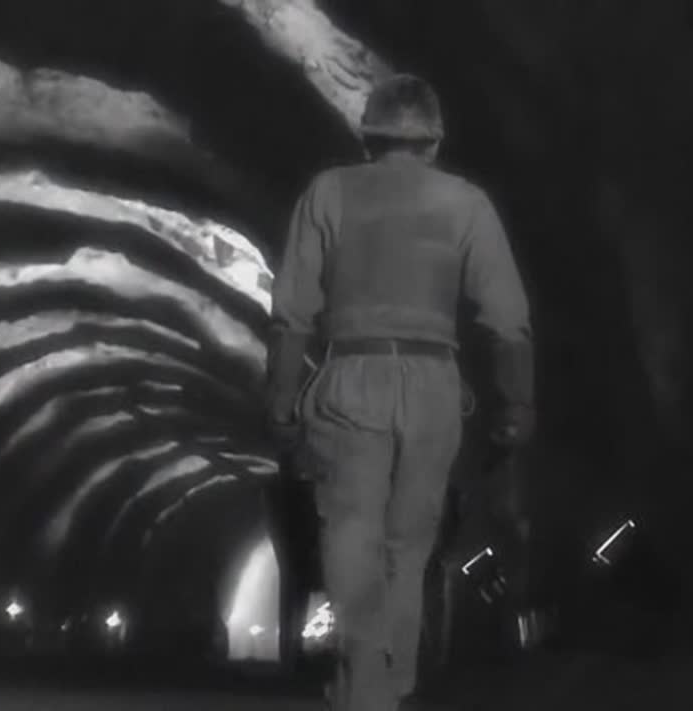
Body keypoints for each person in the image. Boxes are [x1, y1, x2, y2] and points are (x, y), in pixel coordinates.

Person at [265, 73, 535, 711]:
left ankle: (365, 677)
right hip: (434, 383)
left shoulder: (329, 192)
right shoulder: (466, 204)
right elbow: (508, 320)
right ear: (434, 142)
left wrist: (280, 404)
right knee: (409, 549)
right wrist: (517, 403)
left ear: (368, 138)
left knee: (351, 531)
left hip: (352, 376)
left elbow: (292, 314)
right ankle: (393, 677)